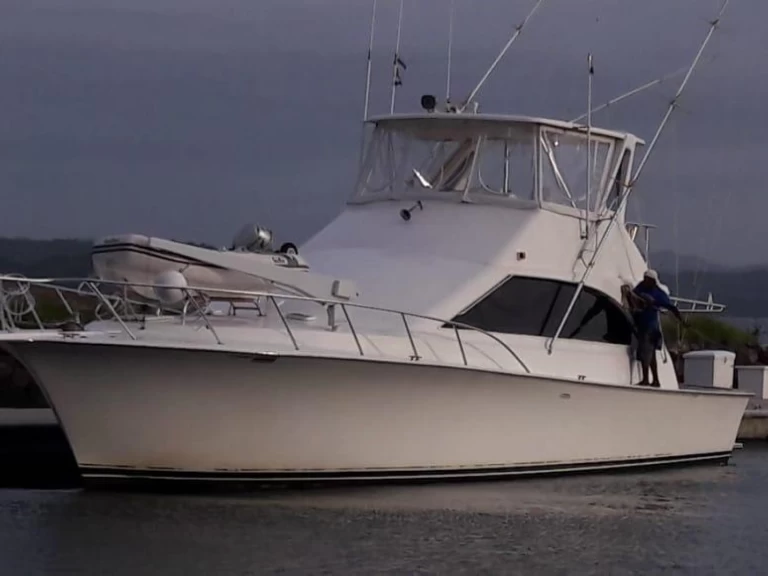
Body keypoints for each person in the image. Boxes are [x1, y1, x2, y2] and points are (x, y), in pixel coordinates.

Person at [627, 269, 687, 387]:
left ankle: (645, 380)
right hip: (643, 325)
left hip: (650, 327)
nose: (646, 281)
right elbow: (634, 295)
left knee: (646, 353)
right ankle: (655, 380)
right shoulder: (641, 287)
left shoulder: (659, 294)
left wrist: (681, 321)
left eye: (648, 280)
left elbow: (672, 307)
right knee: (652, 355)